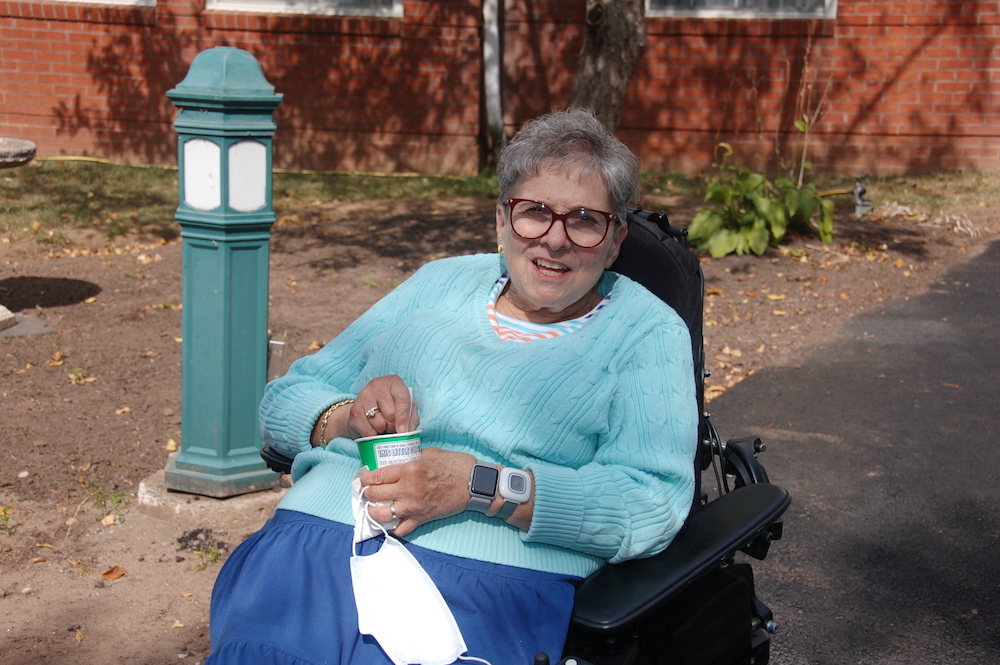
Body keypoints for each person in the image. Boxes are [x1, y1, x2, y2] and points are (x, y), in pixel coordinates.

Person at [206, 110, 698, 665]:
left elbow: (651, 501)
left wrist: (480, 486)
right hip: (309, 552)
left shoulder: (646, 331)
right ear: (501, 221)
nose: (555, 239)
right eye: (534, 212)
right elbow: (285, 400)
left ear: (614, 240)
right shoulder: (439, 281)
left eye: (585, 220)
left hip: (481, 586)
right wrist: (346, 416)